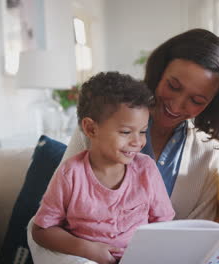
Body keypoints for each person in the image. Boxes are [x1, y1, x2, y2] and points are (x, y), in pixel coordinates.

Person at [59, 28, 219, 222]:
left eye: (196, 100)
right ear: (160, 71)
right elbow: (44, 228)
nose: (177, 105)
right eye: (173, 86)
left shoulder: (209, 156)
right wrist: (87, 251)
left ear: (212, 104)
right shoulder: (99, 126)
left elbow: (198, 240)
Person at [30, 72, 175, 264]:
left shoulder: (146, 169)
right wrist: (86, 248)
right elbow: (41, 230)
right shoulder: (71, 173)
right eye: (125, 132)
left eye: (142, 132)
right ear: (91, 129)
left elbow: (164, 224)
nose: (138, 141)